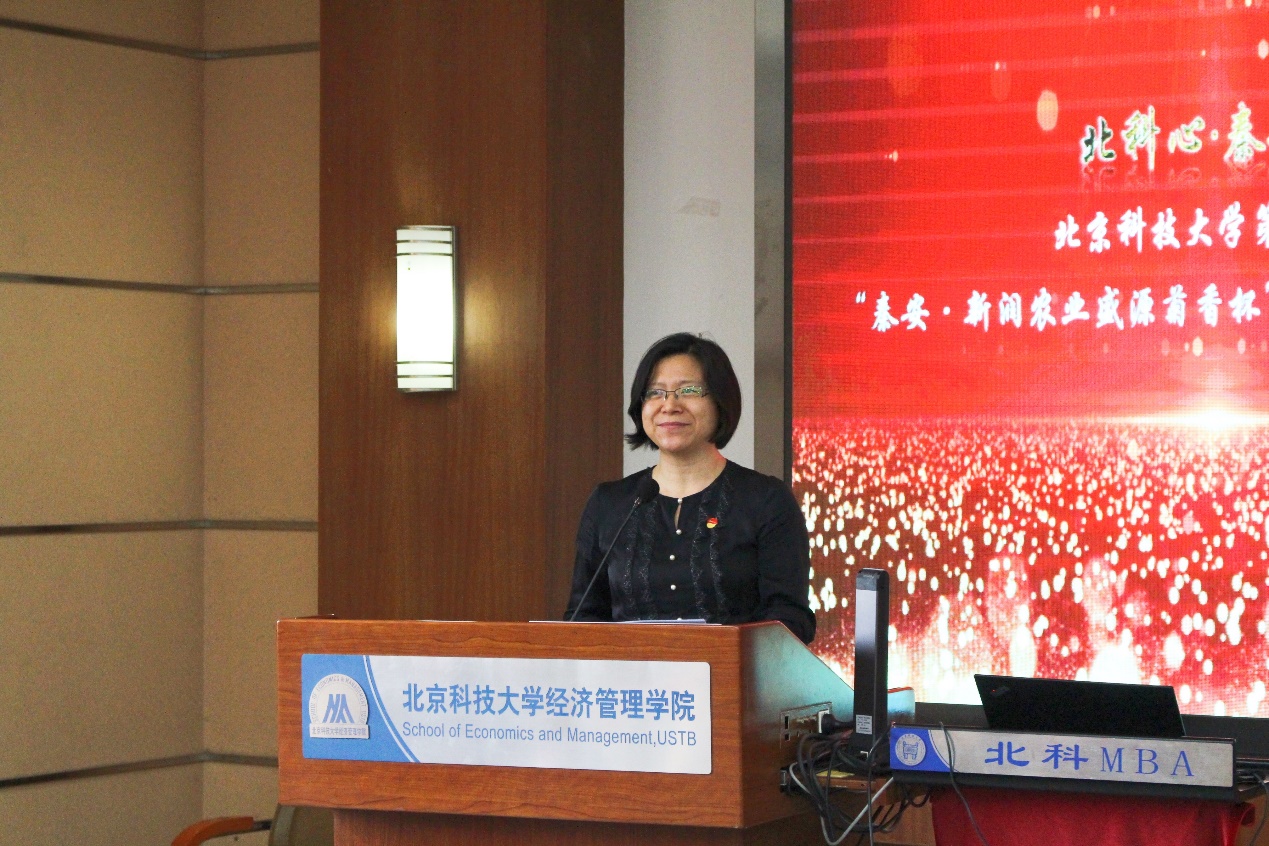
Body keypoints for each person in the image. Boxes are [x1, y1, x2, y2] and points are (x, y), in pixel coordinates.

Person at [565, 332, 815, 643]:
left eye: (689, 390)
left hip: (734, 675)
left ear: (720, 401)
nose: (669, 405)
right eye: (655, 393)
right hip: (630, 675)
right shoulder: (609, 503)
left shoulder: (765, 500)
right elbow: (581, 620)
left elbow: (791, 621)